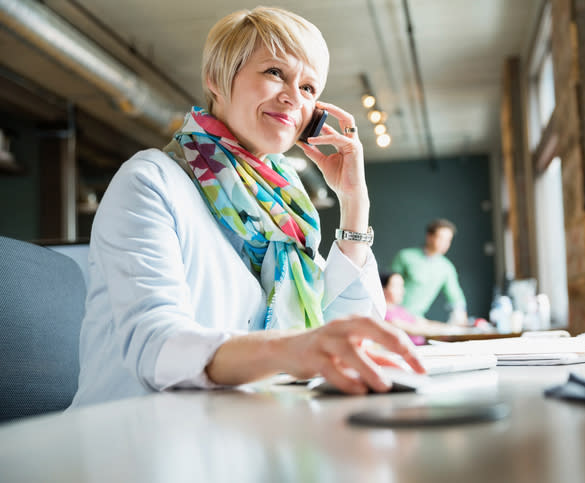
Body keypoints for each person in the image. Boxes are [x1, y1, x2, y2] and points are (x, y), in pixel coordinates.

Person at [70, 6, 424, 406]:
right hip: (137, 440)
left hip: (247, 427)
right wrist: (290, 349)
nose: (293, 96)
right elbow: (156, 347)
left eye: (309, 88)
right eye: (275, 72)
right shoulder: (150, 182)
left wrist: (353, 201)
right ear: (217, 79)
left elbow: (347, 337)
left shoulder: (285, 210)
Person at [390, 219, 467, 322]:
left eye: (448, 240)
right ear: (429, 237)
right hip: (393, 316)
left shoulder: (447, 267)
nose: (444, 244)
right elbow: (387, 286)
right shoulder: (405, 256)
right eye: (441, 238)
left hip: (417, 319)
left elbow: (456, 298)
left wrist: (460, 316)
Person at [380, 271, 466, 345]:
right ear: (383, 289)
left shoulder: (400, 310)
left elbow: (424, 323)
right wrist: (448, 330)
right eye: (397, 286)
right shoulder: (383, 314)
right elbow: (413, 329)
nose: (402, 290)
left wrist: (451, 327)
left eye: (402, 286)